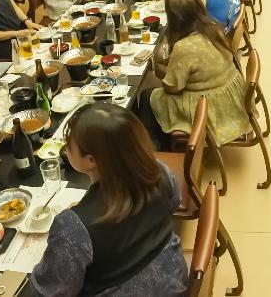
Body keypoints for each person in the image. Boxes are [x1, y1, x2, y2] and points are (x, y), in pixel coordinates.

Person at [31, 106, 188, 296]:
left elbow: (52, 290)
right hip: (174, 279)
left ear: (91, 160)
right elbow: (173, 202)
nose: (66, 150)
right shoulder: (159, 171)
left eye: (68, 145)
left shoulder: (72, 226)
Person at [136, 0, 249, 150]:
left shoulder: (184, 47)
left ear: (175, 19)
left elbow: (172, 88)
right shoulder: (215, 28)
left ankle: (154, 147)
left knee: (147, 96)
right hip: (229, 98)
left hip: (208, 107)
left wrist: (159, 68)